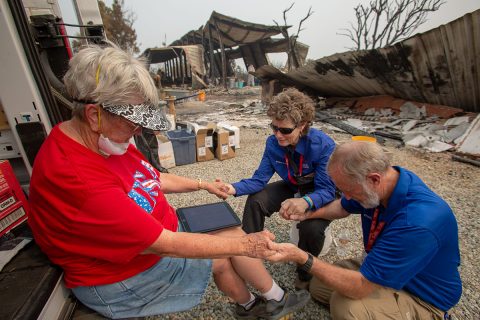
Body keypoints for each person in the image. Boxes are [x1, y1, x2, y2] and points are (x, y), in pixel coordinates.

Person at [27, 45, 310, 320]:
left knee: (231, 231)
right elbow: (163, 243)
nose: (138, 131)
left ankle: (268, 299)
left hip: (158, 233)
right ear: (93, 115)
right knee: (227, 253)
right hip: (117, 275)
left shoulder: (105, 138)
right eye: (132, 123)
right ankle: (252, 306)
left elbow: (152, 177)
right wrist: (248, 246)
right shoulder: (79, 179)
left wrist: (203, 184)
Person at [265, 141, 462, 319]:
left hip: (421, 294)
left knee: (346, 307)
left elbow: (360, 287)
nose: (346, 196)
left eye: (349, 190)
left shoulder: (417, 222)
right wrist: (307, 214)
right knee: (318, 285)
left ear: (374, 179)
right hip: (385, 267)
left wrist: (301, 257)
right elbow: (343, 207)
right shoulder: (389, 182)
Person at [221, 88, 337, 290]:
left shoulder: (323, 145)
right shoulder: (272, 143)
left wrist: (305, 202)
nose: (277, 135)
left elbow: (328, 190)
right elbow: (259, 180)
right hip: (294, 184)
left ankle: (304, 275)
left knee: (312, 228)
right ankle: (249, 251)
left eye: (285, 130)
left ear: (302, 126)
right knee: (257, 199)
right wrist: (230, 188)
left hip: (318, 192)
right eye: (274, 127)